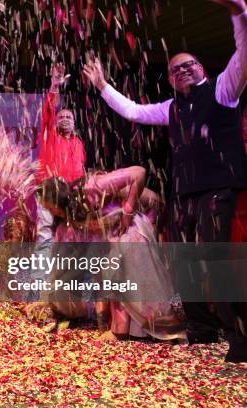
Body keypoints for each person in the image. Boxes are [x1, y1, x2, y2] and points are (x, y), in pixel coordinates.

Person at [83, 0, 246, 361]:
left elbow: (244, 54)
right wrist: (103, 86)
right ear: (170, 79)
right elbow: (134, 112)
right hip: (184, 193)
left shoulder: (223, 90)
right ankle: (201, 330)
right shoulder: (171, 108)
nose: (183, 71)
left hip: (219, 189)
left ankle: (239, 335)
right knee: (185, 259)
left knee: (216, 258)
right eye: (175, 69)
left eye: (189, 65)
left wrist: (239, 13)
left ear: (202, 69)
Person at [30, 167, 185, 341]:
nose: (52, 214)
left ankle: (132, 330)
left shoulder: (90, 188)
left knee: (132, 283)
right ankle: (128, 329)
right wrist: (44, 298)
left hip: (130, 231)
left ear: (58, 199)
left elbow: (139, 173)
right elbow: (60, 262)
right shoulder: (71, 218)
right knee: (109, 275)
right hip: (115, 238)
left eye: (51, 209)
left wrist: (128, 209)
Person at [36, 63, 86, 243]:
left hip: (72, 196)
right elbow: (49, 111)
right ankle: (42, 271)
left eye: (69, 117)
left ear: (74, 123)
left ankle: (69, 271)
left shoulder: (78, 143)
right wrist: (55, 85)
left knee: (72, 237)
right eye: (61, 117)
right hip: (49, 193)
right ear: (55, 122)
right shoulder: (50, 136)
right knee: (46, 235)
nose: (65, 119)